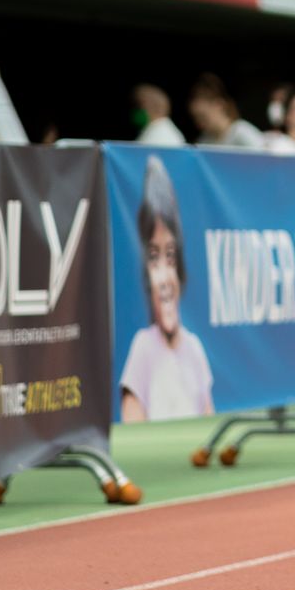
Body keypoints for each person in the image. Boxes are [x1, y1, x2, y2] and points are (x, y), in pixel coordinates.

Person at [119, 156, 214, 421]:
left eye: (170, 256)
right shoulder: (142, 347)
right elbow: (133, 430)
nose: (163, 277)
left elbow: (209, 423)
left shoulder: (195, 349)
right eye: (153, 257)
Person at [188, 74, 264, 149]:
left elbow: (266, 158)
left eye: (203, 117)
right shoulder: (204, 140)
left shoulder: (243, 132)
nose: (199, 124)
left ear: (219, 105)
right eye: (196, 119)